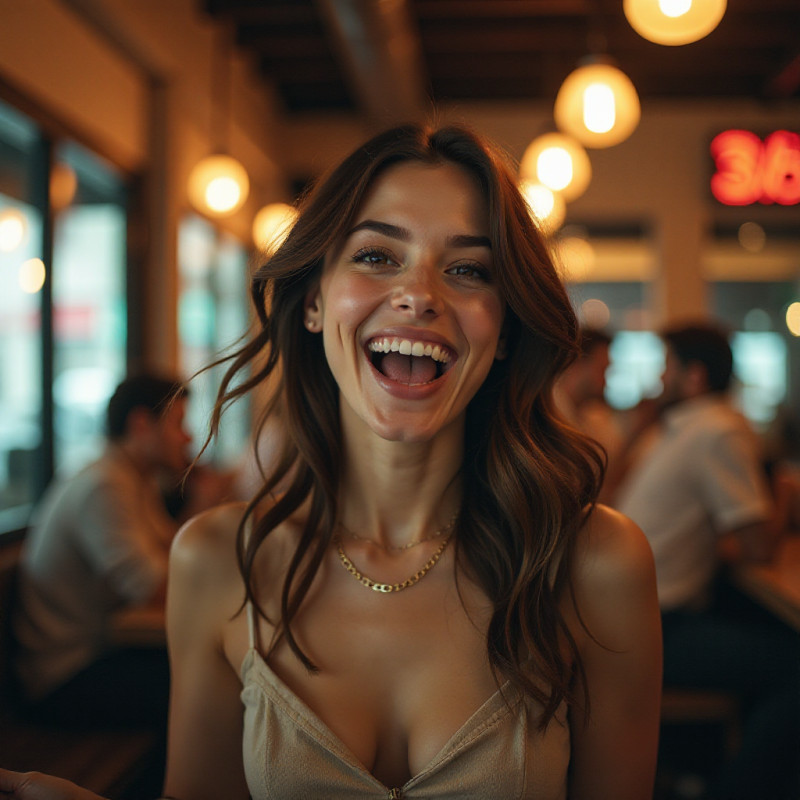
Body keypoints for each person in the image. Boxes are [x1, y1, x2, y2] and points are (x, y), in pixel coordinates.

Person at [0, 124, 662, 799]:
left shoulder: (596, 564)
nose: (420, 294)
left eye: (467, 269)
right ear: (314, 301)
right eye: (377, 256)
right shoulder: (216, 561)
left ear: (504, 329)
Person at [613, 322, 800, 800]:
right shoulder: (717, 428)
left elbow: (738, 543)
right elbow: (759, 547)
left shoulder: (685, 430)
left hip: (623, 622)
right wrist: (783, 497)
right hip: (653, 631)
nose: (658, 378)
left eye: (666, 366)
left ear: (694, 377)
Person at [12, 374, 192, 731]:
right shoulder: (104, 485)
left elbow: (171, 550)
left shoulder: (132, 477)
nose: (187, 437)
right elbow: (152, 586)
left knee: (202, 674)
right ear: (142, 424)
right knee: (199, 687)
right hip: (63, 676)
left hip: (103, 651)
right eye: (178, 423)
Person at [553, 326, 623, 500]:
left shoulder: (591, 416)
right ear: (576, 363)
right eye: (602, 370)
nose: (606, 381)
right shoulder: (549, 413)